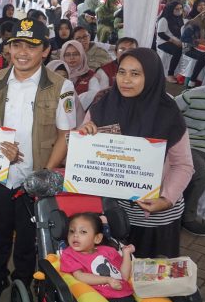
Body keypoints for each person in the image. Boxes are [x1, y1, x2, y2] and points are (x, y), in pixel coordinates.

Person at [0, 19, 77, 300]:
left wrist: (44, 175)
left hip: (36, 177)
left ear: (45, 50)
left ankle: (23, 279)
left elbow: (65, 134)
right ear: (8, 48)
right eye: (17, 45)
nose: (22, 52)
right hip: (0, 175)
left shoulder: (61, 86)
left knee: (28, 235)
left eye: (31, 47)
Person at [79, 48, 193, 258]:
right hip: (110, 214)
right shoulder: (101, 107)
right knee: (112, 272)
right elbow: (81, 157)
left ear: (151, 77)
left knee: (150, 274)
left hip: (154, 216)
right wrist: (83, 137)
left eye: (135, 74)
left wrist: (166, 199)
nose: (126, 80)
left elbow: (183, 165)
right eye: (121, 72)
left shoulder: (168, 114)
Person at [175, 70, 205, 236]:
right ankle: (187, 218)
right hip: (189, 144)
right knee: (203, 176)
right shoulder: (193, 95)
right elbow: (168, 111)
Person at [59, 40, 100, 111]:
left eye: (75, 54)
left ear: (82, 55)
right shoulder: (57, 74)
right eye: (67, 55)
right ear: (62, 56)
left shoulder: (90, 76)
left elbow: (95, 97)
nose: (72, 57)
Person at [156, 1, 186, 82]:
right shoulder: (164, 19)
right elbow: (161, 34)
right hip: (163, 42)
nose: (179, 10)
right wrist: (174, 41)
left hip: (177, 40)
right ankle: (170, 74)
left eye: (180, 8)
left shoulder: (180, 19)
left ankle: (182, 74)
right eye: (176, 9)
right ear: (171, 9)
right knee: (177, 50)